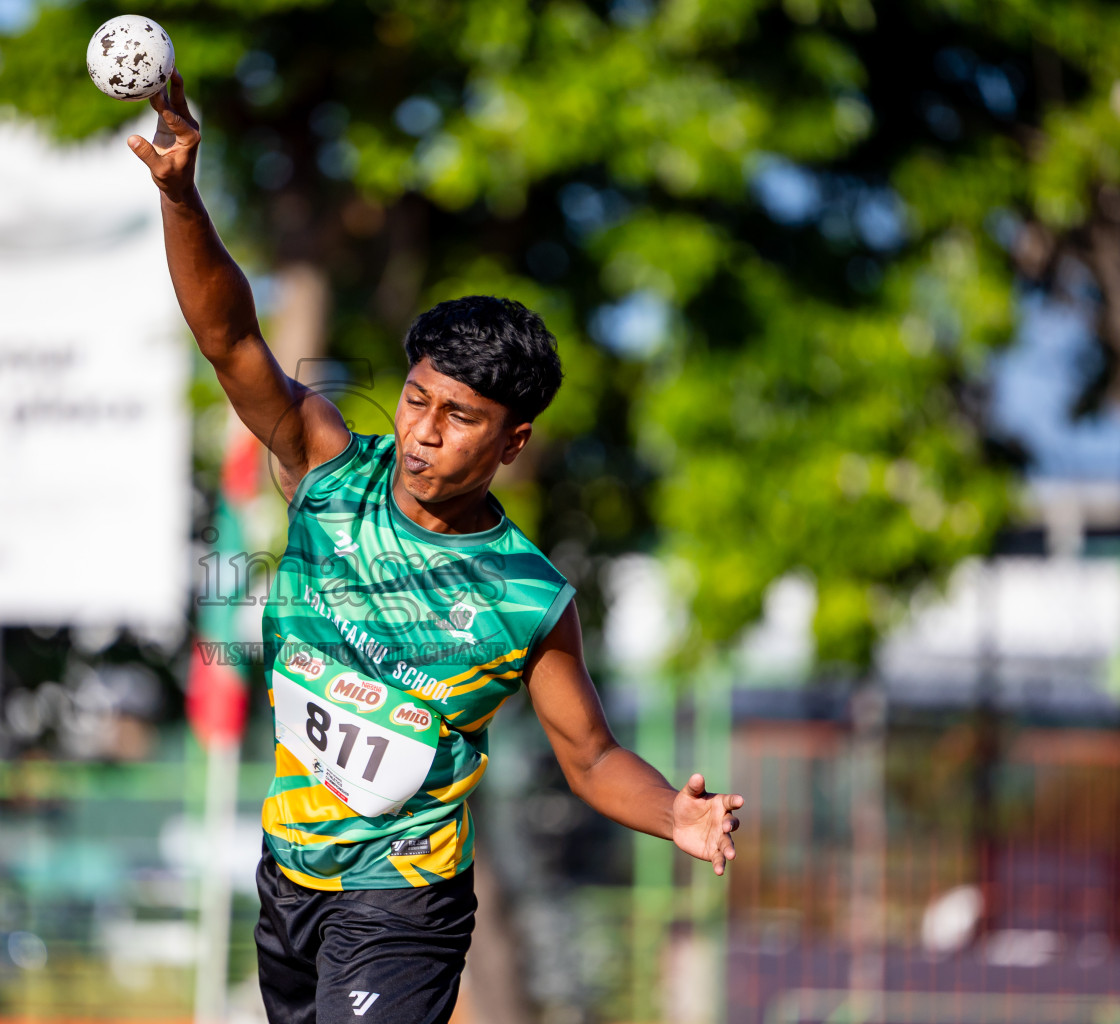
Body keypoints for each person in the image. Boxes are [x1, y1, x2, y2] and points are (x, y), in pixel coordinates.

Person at [128, 71, 744, 1024]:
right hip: (289, 874)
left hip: (406, 899)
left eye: (459, 418)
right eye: (417, 399)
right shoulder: (330, 471)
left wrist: (675, 814)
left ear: (512, 441)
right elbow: (230, 339)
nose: (423, 432)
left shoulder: (527, 599)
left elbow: (590, 758)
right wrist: (180, 197)